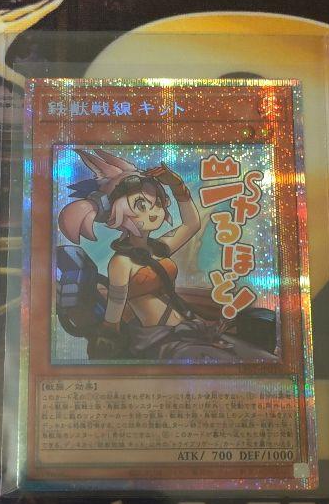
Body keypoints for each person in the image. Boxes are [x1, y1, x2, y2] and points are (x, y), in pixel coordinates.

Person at [58, 148, 277, 363]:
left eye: (157, 203)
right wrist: (108, 338)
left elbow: (191, 224)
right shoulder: (120, 263)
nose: (154, 212)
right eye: (140, 205)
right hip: (160, 340)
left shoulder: (158, 248)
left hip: (191, 328)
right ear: (116, 214)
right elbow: (114, 312)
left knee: (259, 356)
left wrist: (177, 186)